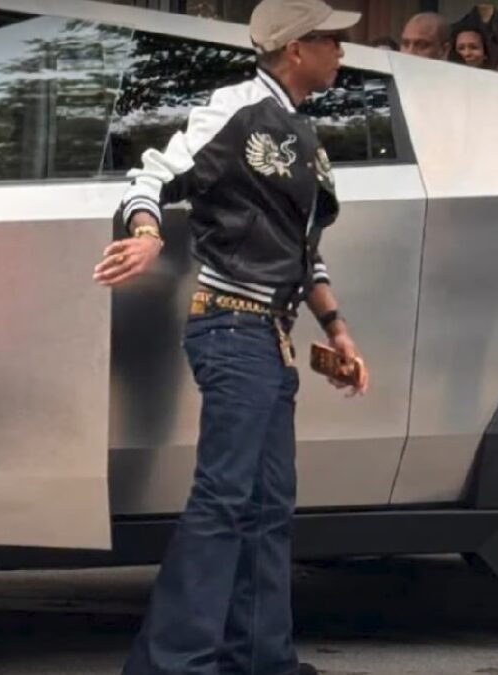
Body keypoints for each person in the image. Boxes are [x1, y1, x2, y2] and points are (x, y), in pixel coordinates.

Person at [92, 0, 369, 673]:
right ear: (296, 48)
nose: (342, 51)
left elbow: (305, 254)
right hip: (231, 326)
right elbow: (153, 171)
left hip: (270, 336)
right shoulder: (235, 108)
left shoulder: (304, 132)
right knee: (224, 499)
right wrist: (147, 233)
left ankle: (263, 658)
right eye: (331, 39)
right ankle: (171, 663)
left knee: (270, 506)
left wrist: (336, 326)